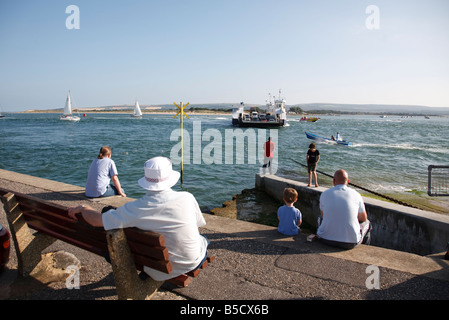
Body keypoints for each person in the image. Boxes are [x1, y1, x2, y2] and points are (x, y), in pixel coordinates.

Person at [68, 156, 209, 281]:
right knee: (203, 239)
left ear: (147, 179)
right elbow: (198, 225)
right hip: (191, 260)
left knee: (112, 216)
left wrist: (82, 208)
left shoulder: (136, 208)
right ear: (170, 178)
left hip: (155, 266)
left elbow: (96, 220)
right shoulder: (187, 198)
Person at [317, 169, 371, 249]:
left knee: (319, 218)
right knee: (367, 223)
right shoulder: (356, 194)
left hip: (325, 239)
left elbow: (323, 216)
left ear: (334, 181)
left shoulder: (325, 194)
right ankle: (365, 250)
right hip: (350, 242)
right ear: (347, 181)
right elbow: (363, 218)